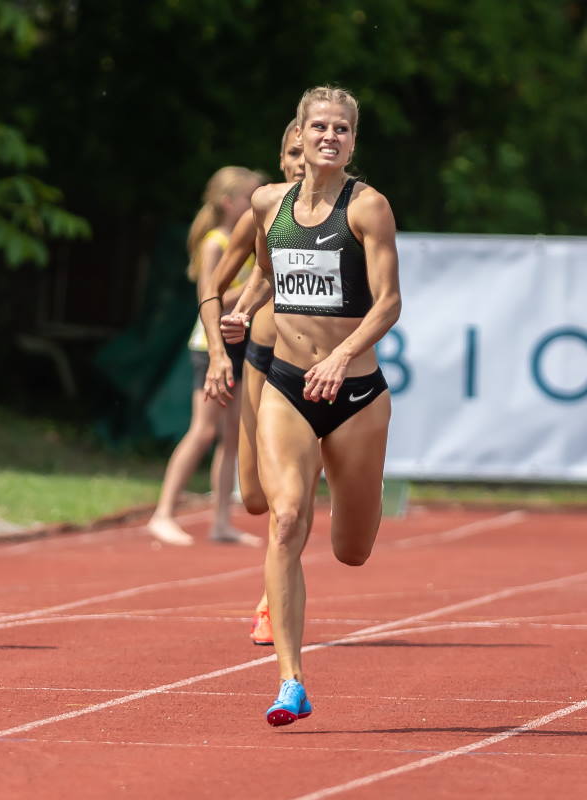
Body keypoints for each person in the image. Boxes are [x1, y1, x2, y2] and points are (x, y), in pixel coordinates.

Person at [207, 86, 401, 725]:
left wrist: (341, 356)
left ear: (352, 140)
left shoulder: (369, 208)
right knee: (284, 519)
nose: (329, 137)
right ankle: (290, 681)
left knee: (352, 549)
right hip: (288, 386)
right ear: (300, 132)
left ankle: (354, 512)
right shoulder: (269, 203)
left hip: (354, 396)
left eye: (341, 129)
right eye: (320, 126)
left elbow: (389, 303)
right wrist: (240, 313)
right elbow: (265, 270)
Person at [200, 123, 306, 646]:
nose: (301, 161)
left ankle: (270, 600)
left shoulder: (349, 211)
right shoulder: (262, 210)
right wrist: (220, 351)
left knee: (291, 498)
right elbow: (214, 282)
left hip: (316, 368)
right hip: (260, 362)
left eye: (307, 151)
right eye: (292, 152)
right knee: (257, 498)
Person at [146, 166, 264, 547]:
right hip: (211, 344)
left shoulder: (245, 240)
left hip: (241, 342)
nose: (253, 203)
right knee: (203, 430)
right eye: (248, 197)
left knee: (231, 435)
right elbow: (208, 299)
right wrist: (259, 285)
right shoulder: (215, 242)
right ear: (229, 203)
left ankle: (220, 521)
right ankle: (163, 512)